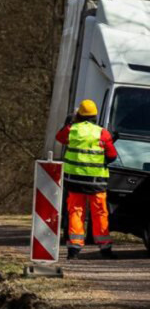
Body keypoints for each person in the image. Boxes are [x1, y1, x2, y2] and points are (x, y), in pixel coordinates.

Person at [55, 99, 118, 259]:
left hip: (75, 181)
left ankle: (74, 250)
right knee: (100, 213)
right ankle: (105, 249)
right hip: (96, 183)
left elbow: (60, 137)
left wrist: (70, 121)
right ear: (95, 116)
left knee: (76, 212)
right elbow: (111, 156)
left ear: (79, 115)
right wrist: (110, 140)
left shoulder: (72, 129)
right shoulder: (102, 133)